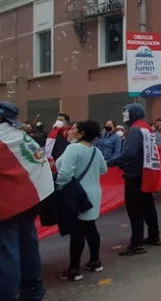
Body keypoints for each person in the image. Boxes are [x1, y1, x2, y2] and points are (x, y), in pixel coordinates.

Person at [0, 101, 54, 301]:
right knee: (28, 247)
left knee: (7, 253)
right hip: (30, 201)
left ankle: (8, 295)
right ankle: (33, 292)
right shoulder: (21, 136)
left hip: (7, 205)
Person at [55, 120, 108, 281]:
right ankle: (95, 260)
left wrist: (57, 186)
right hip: (94, 193)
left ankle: (74, 269)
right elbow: (104, 170)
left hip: (77, 195)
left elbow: (64, 174)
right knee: (90, 227)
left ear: (81, 133)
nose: (69, 130)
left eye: (72, 129)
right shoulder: (95, 150)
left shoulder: (73, 148)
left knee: (77, 232)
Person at [108, 104, 161, 256]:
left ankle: (136, 243)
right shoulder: (146, 128)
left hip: (135, 175)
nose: (124, 117)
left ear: (133, 114)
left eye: (126, 114)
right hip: (146, 172)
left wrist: (110, 162)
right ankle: (154, 235)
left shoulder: (135, 130)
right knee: (148, 206)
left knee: (135, 209)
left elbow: (129, 153)